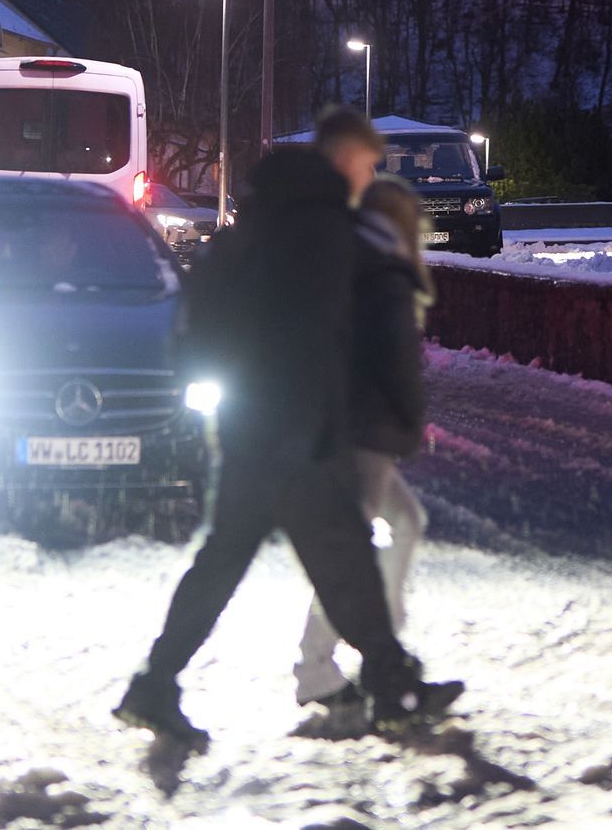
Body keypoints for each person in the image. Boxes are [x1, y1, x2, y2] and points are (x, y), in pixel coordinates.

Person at [115, 107, 460, 749]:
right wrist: (374, 410)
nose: (367, 174)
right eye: (362, 163)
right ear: (336, 167)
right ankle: (391, 686)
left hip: (250, 430)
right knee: (345, 562)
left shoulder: (248, 231)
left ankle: (154, 684)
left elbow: (197, 321)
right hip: (305, 432)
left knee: (224, 565)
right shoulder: (331, 232)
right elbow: (360, 331)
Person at [294, 173, 434, 710]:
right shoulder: (381, 273)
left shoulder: (356, 266)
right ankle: (319, 663)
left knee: (407, 523)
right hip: (365, 433)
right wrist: (407, 419)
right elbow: (391, 360)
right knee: (349, 556)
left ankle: (383, 642)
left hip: (356, 429)